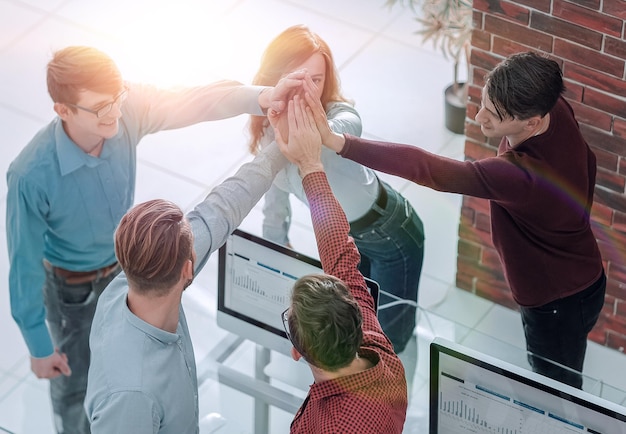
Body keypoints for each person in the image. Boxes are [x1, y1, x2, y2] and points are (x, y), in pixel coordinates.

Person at [5, 45, 304, 434]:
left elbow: (191, 100)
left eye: (118, 98)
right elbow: (23, 265)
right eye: (100, 107)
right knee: (74, 388)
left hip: (127, 267)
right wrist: (39, 346)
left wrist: (259, 98)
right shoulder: (30, 174)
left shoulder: (122, 110)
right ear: (63, 110)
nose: (115, 112)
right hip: (70, 289)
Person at [307, 51, 605, 389]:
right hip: (584, 274)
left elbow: (429, 170)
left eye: (494, 116)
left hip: (557, 303)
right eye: (483, 102)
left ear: (532, 122)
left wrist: (338, 142)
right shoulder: (555, 108)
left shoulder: (522, 176)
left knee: (557, 395)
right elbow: (590, 161)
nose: (479, 117)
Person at [85, 135, 288, 432]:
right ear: (188, 269)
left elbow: (219, 211)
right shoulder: (131, 396)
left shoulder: (137, 273)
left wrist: (280, 150)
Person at [248, 25, 425, 354]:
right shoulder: (269, 134)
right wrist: (272, 257)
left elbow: (350, 124)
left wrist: (320, 130)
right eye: (297, 78)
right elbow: (274, 204)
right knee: (357, 326)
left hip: (391, 232)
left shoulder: (335, 115)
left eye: (316, 80)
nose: (307, 91)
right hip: (345, 241)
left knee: (391, 341)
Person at [275, 94, 408, 433]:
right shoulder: (377, 351)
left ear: (296, 353)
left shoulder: (333, 427)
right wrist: (310, 166)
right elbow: (339, 254)